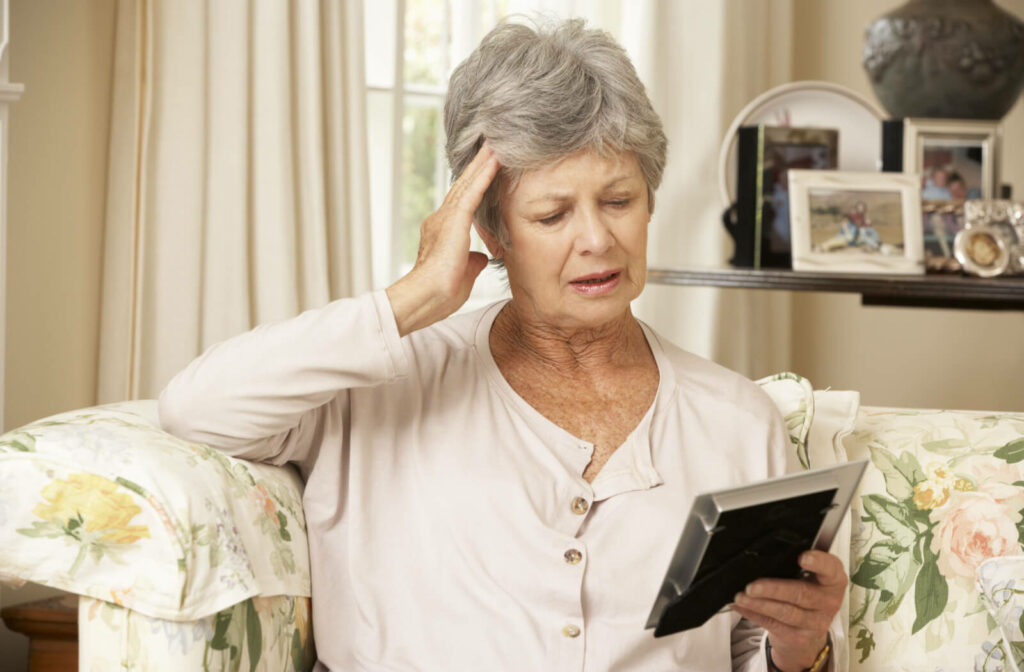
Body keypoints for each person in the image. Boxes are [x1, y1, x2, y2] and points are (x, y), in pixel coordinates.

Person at [159, 18, 845, 672]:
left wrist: (800, 646)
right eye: (552, 214)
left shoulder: (734, 419)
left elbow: (751, 649)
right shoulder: (378, 382)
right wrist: (410, 300)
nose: (598, 240)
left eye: (618, 200)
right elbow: (197, 407)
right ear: (491, 231)